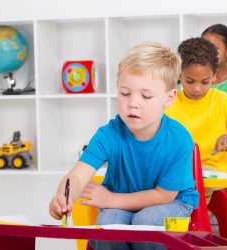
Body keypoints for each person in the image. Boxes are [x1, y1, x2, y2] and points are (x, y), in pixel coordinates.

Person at [49, 42, 199, 250]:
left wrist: (111, 198)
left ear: (169, 98)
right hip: (119, 202)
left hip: (171, 203)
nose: (133, 103)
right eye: (125, 93)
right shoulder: (108, 134)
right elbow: (78, 175)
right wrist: (63, 197)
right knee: (108, 224)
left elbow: (164, 195)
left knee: (147, 221)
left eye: (146, 96)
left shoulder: (179, 138)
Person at [165, 37, 227, 202]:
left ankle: (194, 219)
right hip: (181, 169)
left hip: (215, 170)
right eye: (189, 81)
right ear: (179, 75)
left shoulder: (222, 100)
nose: (197, 88)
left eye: (205, 82)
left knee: (194, 190)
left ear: (214, 76)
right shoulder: (170, 101)